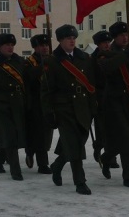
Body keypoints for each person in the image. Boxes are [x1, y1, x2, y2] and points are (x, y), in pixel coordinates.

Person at [41, 24, 96, 195]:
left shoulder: (84, 58)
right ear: (60, 40)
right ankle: (80, 181)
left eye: (73, 38)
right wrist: (48, 112)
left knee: (78, 143)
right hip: (63, 107)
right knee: (73, 145)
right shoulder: (52, 60)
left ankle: (57, 165)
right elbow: (46, 90)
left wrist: (93, 106)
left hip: (83, 107)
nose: (72, 41)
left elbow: (91, 84)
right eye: (68, 38)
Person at [97, 21, 129, 188]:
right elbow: (107, 68)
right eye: (121, 35)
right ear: (114, 37)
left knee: (125, 138)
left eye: (127, 34)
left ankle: (106, 157)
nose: (125, 37)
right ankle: (128, 176)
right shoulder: (106, 53)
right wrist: (125, 55)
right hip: (113, 102)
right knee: (127, 139)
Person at [0, 34, 26, 181]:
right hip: (1, 106)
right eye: (7, 45)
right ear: (0, 46)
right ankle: (16, 170)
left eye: (12, 44)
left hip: (18, 105)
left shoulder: (19, 61)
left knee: (12, 136)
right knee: (10, 137)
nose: (10, 47)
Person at [23, 34, 53, 174]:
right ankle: (33, 155)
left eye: (46, 45)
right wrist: (43, 65)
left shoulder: (52, 60)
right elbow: (30, 76)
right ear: (35, 47)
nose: (45, 48)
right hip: (34, 103)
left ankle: (42, 162)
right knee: (35, 133)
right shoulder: (29, 62)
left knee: (46, 134)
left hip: (49, 102)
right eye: (41, 45)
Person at [90, 30, 119, 169]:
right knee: (102, 128)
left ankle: (111, 156)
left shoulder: (115, 56)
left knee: (113, 127)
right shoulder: (92, 59)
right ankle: (98, 147)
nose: (107, 45)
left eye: (108, 42)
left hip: (114, 96)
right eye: (104, 43)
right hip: (100, 96)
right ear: (98, 44)